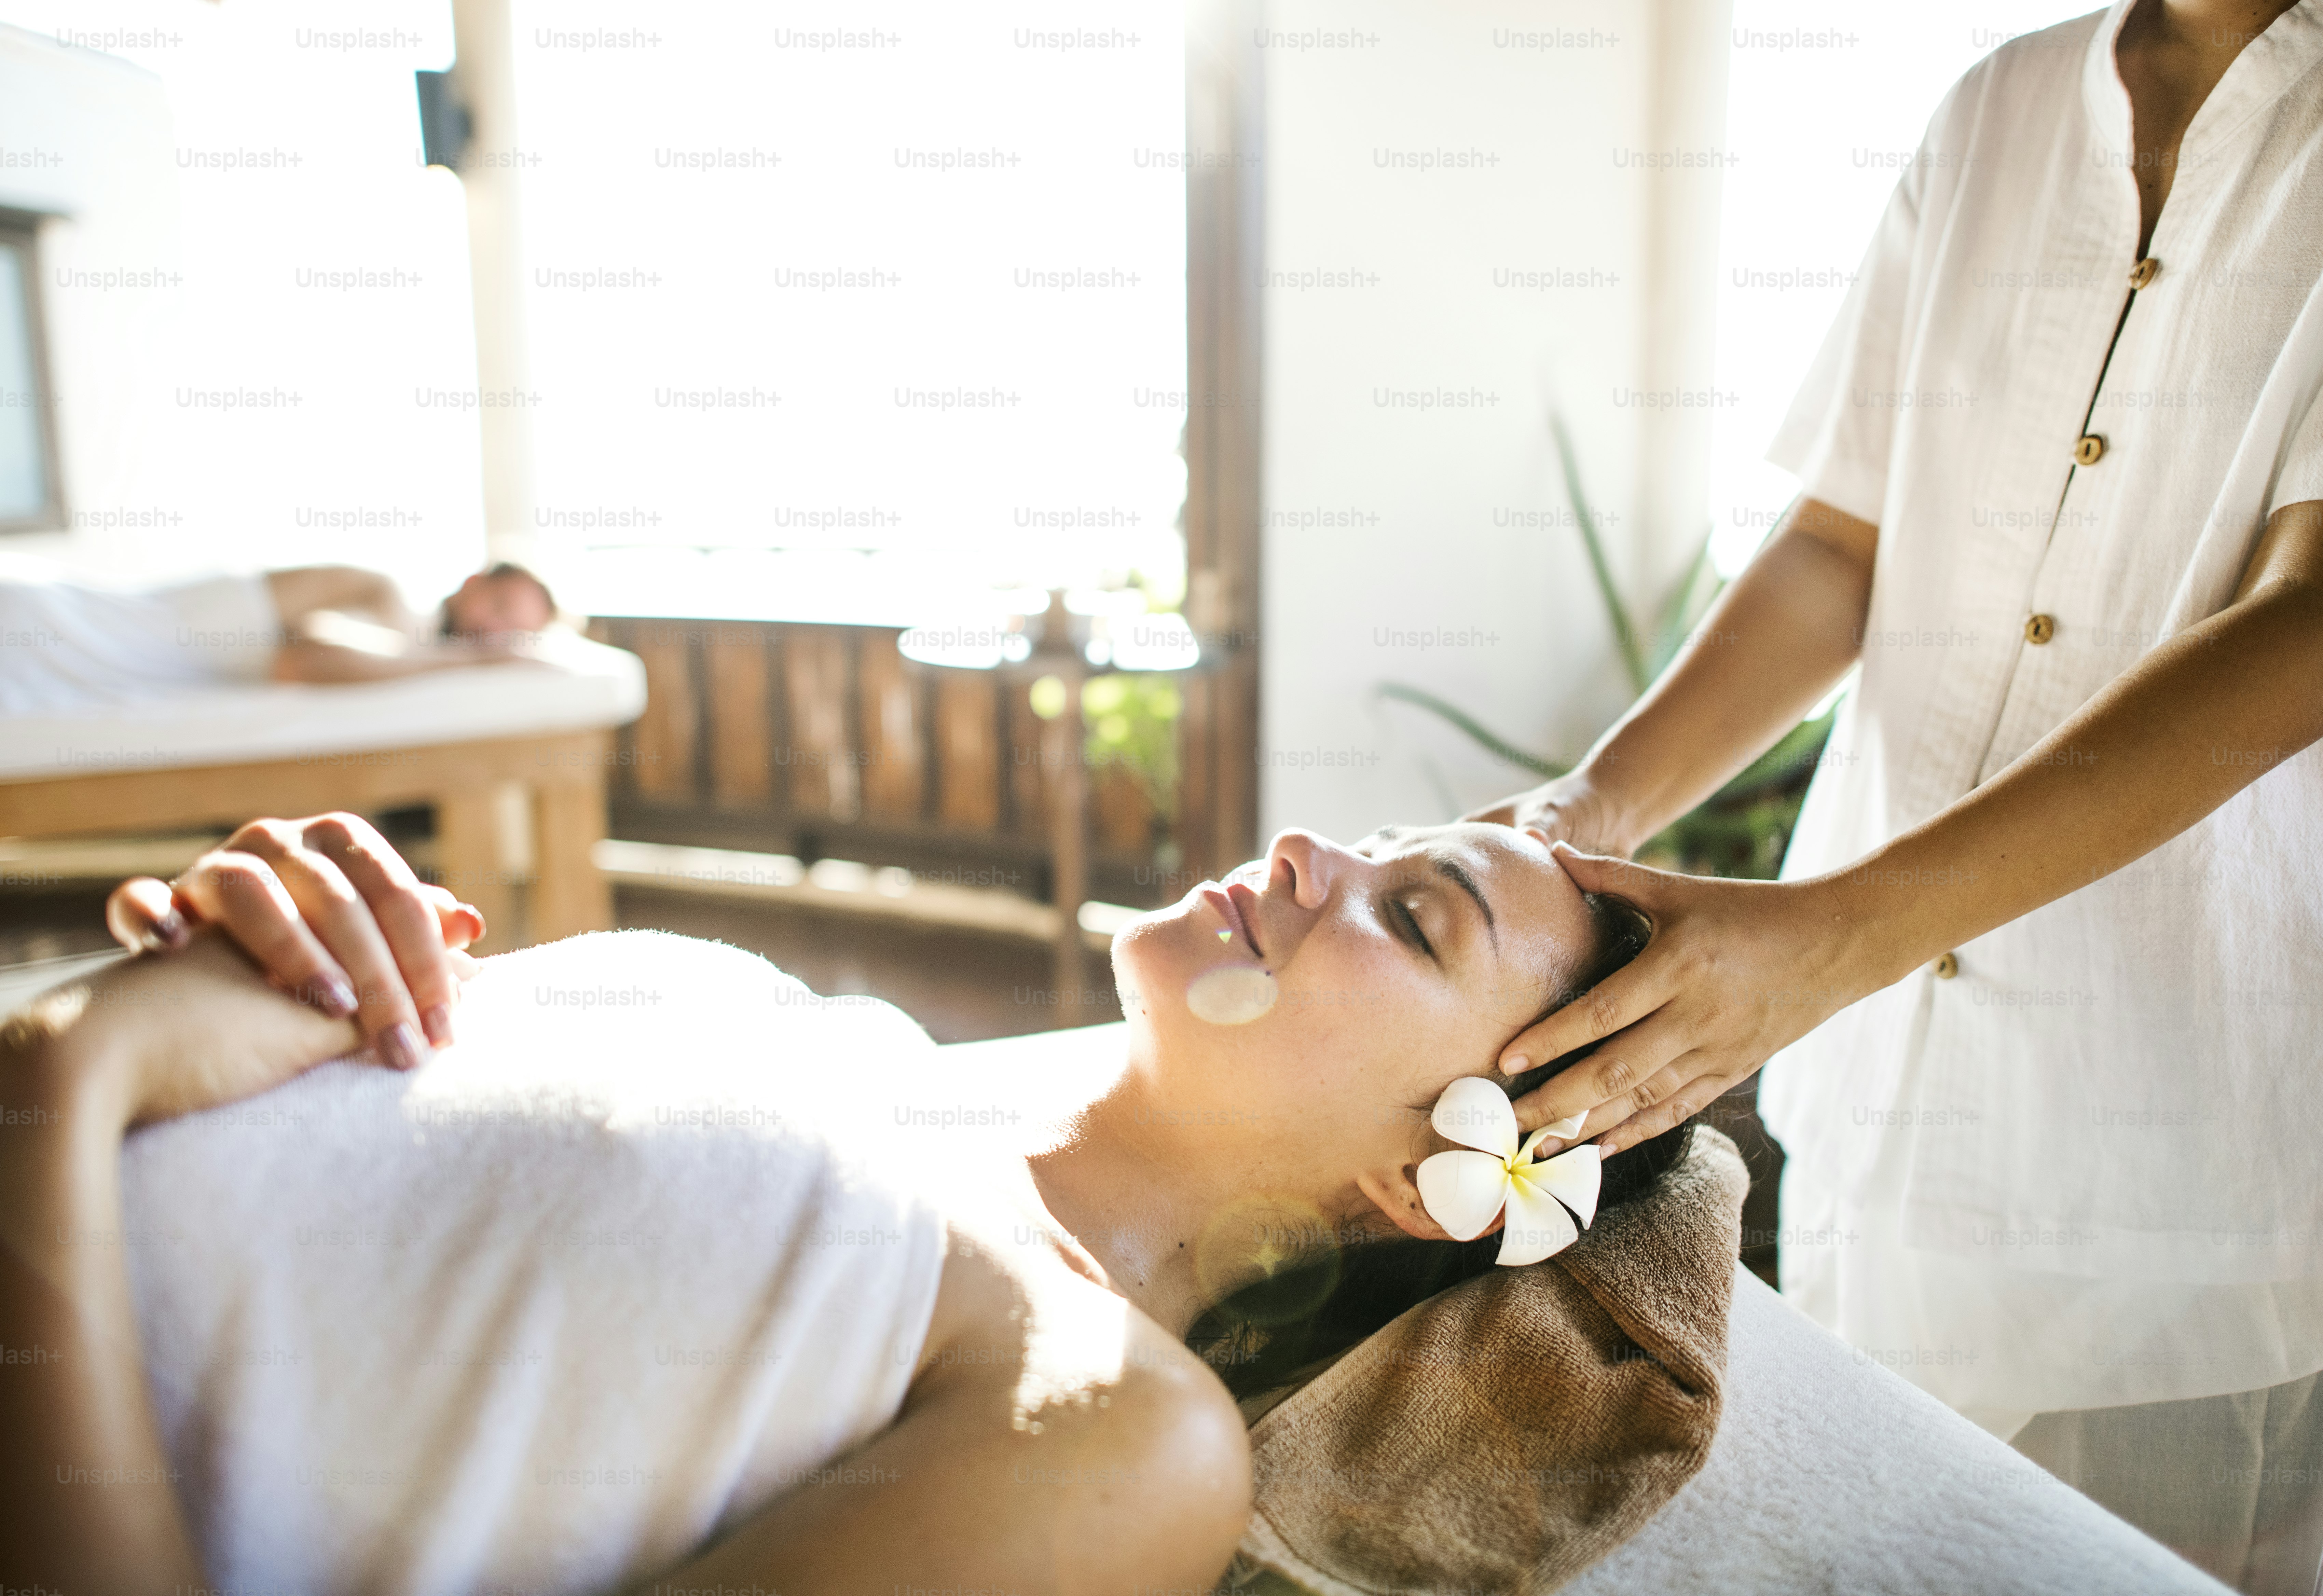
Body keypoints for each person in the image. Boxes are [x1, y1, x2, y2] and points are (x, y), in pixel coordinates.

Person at [1468, 2, 2323, 1588]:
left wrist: (1831, 937)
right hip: (1880, 1109)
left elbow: (2305, 626)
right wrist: (1589, 806)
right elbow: (1837, 540)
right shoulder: (1996, 106)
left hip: (2187, 1132)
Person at [0, 810, 1689, 1591]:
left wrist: (61, 1081)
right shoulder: (812, 1029)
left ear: (1426, 1183)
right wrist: (279, 927)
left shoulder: (1116, 1423)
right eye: (1378, 844)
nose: (1313, 848)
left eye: (1414, 916)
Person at [0, 558, 559, 713]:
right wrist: (475, 662)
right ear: (472, 583)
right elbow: (305, 662)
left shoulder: (405, 637)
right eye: (500, 607)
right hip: (42, 625)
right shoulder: (381, 593)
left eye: (512, 631)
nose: (494, 632)